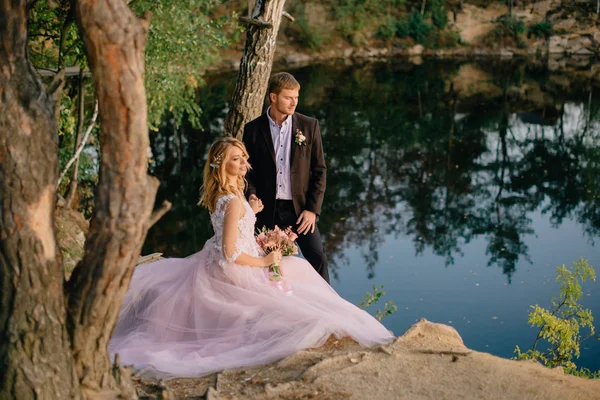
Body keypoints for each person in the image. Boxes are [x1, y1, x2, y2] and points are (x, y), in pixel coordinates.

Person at [109, 137, 394, 379]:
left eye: (244, 158)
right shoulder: (232, 200)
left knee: (299, 274)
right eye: (236, 159)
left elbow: (230, 227)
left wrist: (252, 212)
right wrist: (266, 261)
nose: (244, 163)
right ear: (222, 164)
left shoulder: (228, 194)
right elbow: (230, 251)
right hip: (235, 267)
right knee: (290, 298)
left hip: (227, 258)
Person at [243, 72, 330, 283]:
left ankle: (328, 310)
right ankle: (277, 307)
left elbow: (320, 171)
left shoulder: (309, 126)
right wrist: (252, 195)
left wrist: (312, 210)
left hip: (299, 211)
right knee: (268, 265)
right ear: (273, 97)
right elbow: (246, 171)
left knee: (318, 259)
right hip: (266, 211)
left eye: (296, 97)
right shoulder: (253, 129)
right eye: (288, 97)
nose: (294, 102)